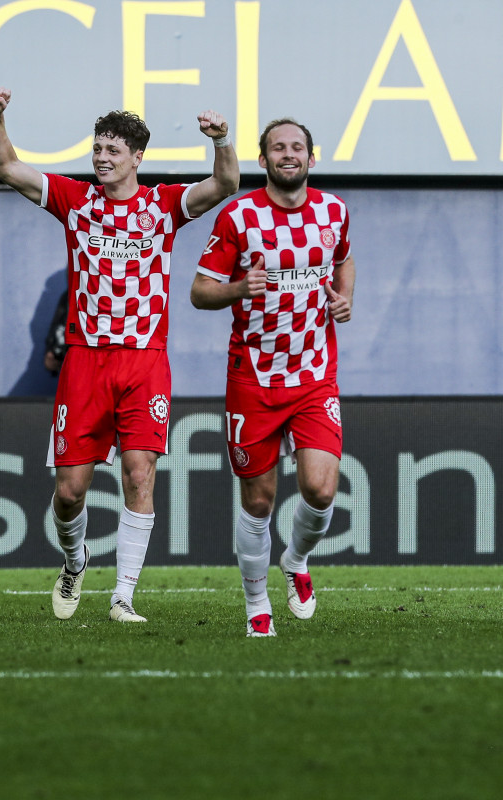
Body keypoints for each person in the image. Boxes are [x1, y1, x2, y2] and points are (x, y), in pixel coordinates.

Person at [0, 87, 239, 623]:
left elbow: (226, 183)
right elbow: (4, 164)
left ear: (137, 158)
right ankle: (75, 560)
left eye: (113, 151)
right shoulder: (74, 200)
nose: (101, 158)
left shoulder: (164, 205)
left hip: (144, 361)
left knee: (138, 475)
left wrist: (221, 141)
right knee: (70, 492)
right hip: (85, 361)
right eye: (98, 149)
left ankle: (123, 596)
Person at [191, 118, 355, 637]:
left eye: (298, 147)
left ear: (312, 157)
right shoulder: (240, 216)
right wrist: (241, 288)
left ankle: (298, 562)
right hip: (254, 379)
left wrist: (343, 298)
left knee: (321, 490)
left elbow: (344, 259)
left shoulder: (334, 211)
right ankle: (256, 603)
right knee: (258, 501)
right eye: (278, 148)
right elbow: (199, 291)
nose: (289, 154)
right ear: (262, 160)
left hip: (312, 377)